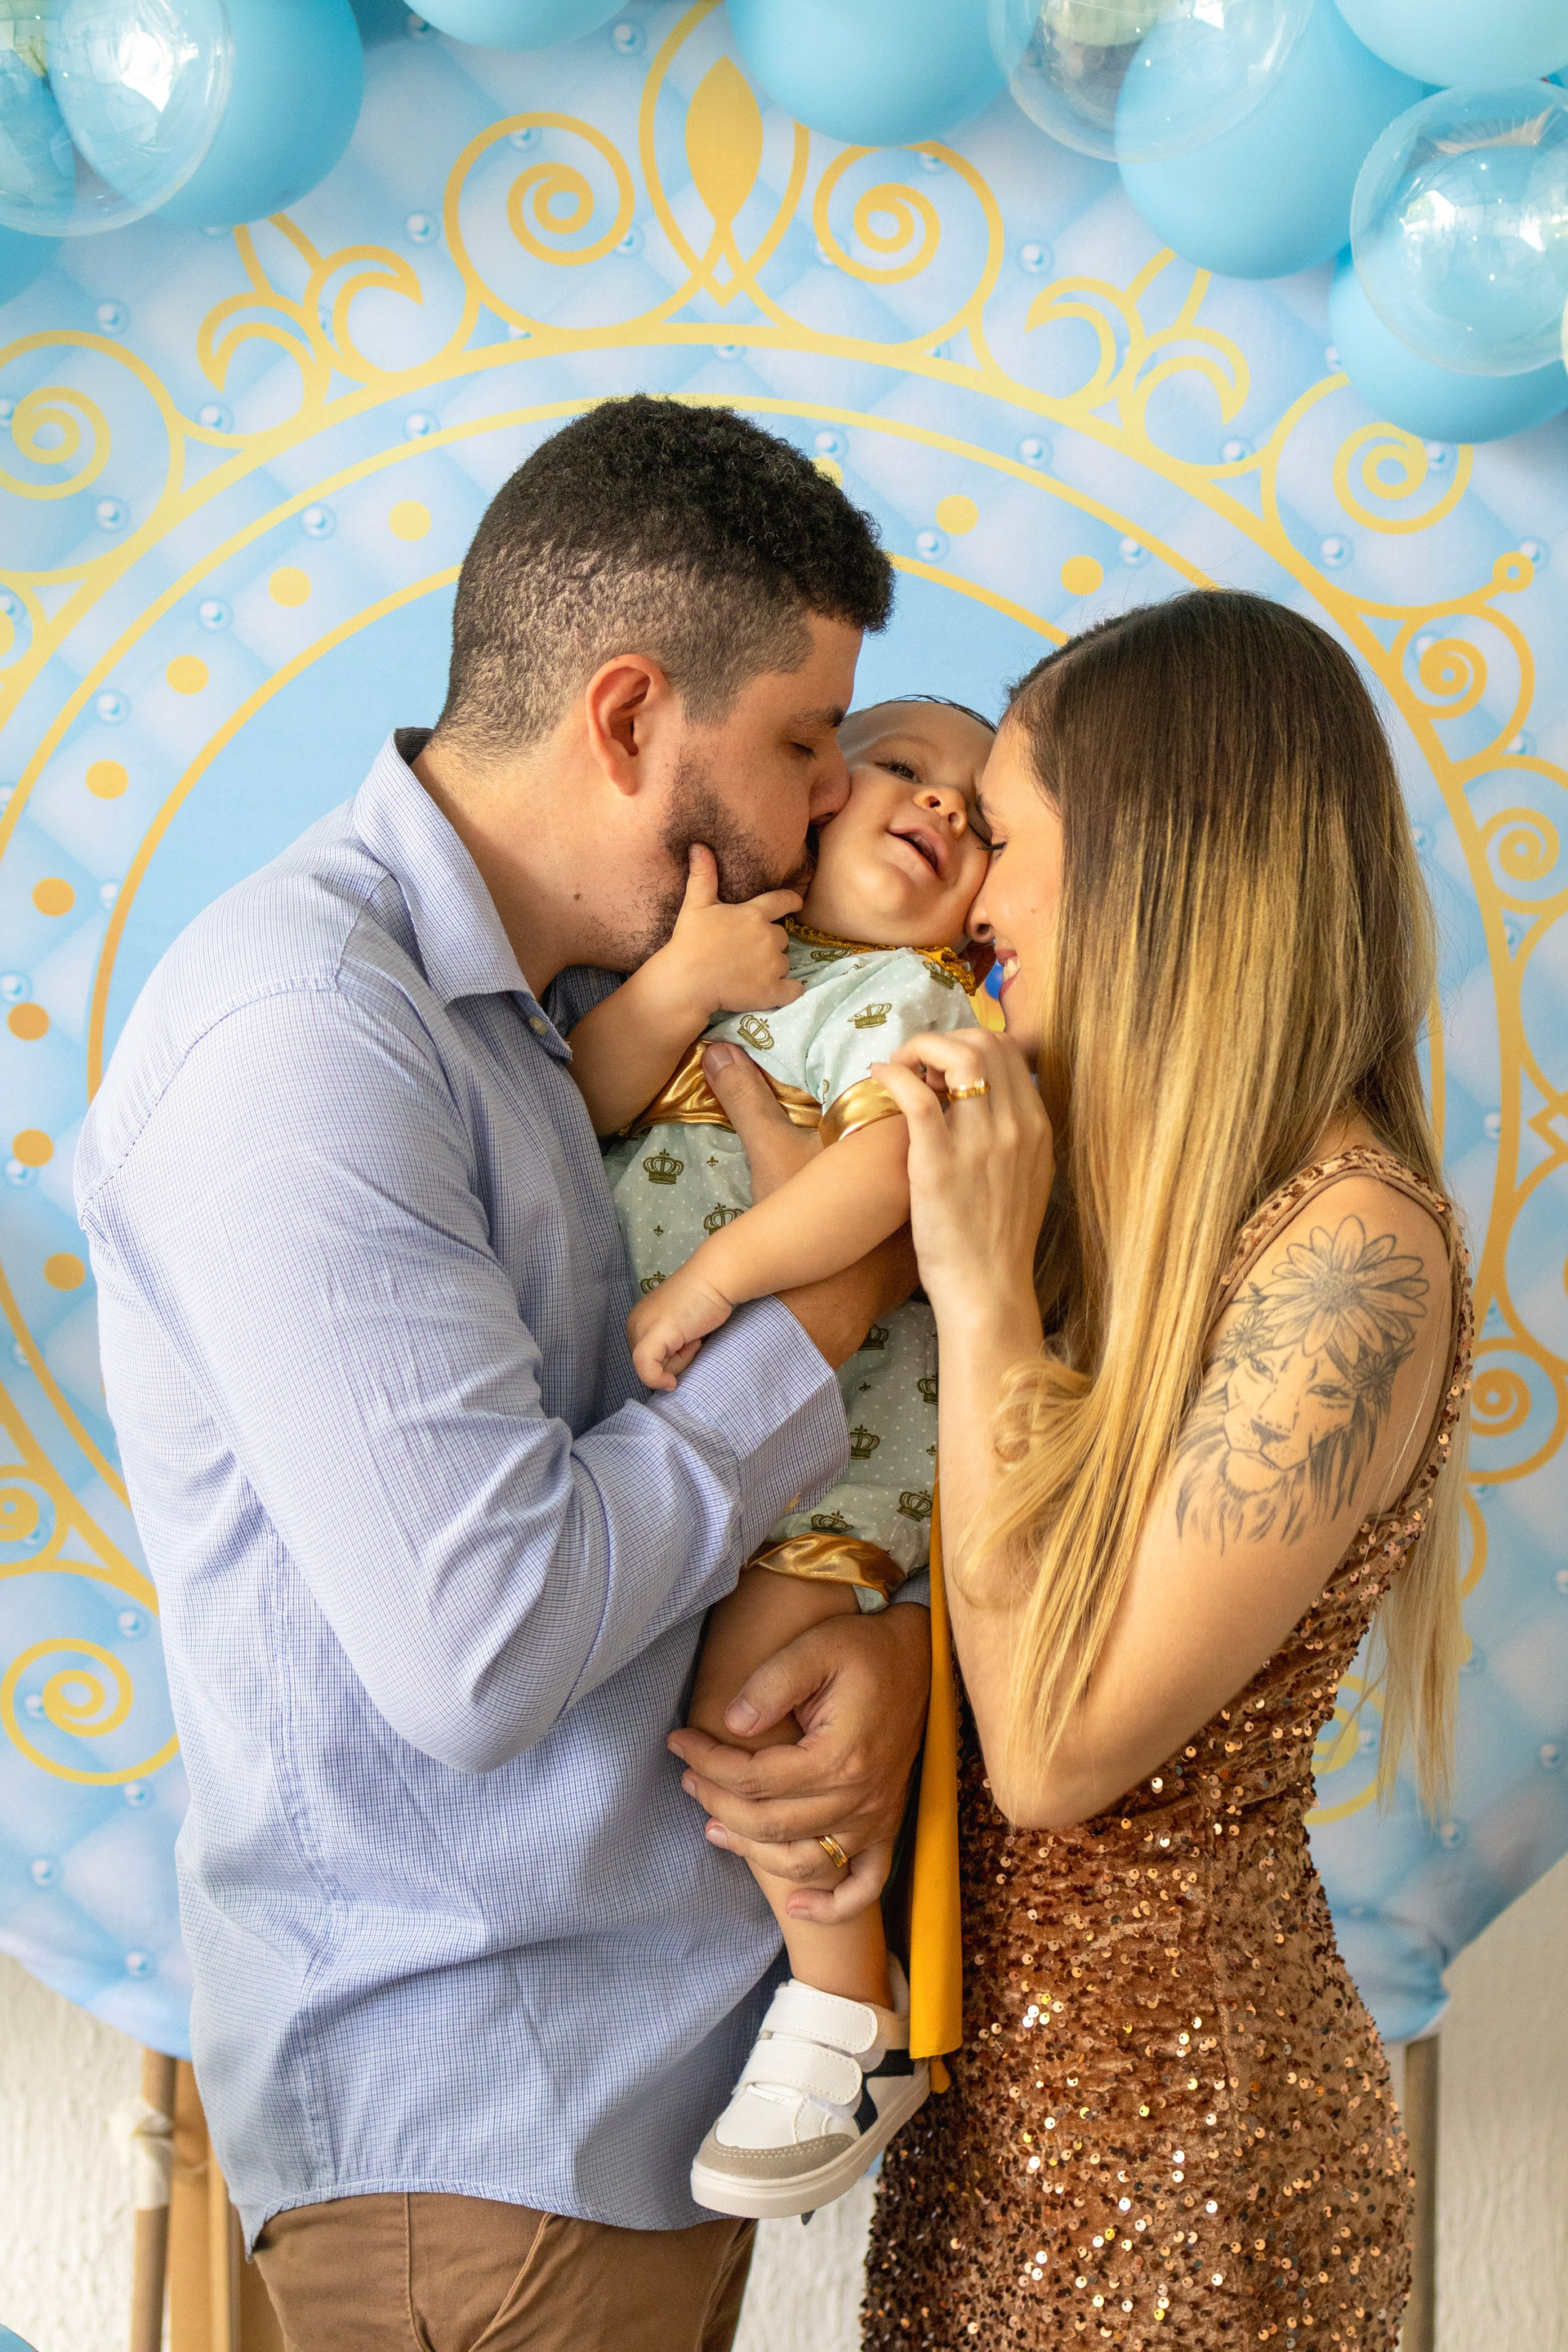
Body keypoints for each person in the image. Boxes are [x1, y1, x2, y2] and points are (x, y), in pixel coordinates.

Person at [74, 396, 937, 2352]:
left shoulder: (577, 1024)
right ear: (629, 718)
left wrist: (876, 1640)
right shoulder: (305, 1036)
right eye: (802, 742)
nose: (828, 802)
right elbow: (485, 1644)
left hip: (611, 2112)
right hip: (477, 2131)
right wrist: (814, 1323)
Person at [670, 591, 1472, 2349]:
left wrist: (975, 1290)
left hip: (1186, 2186)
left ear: (1155, 860)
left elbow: (1052, 1753)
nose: (982, 901)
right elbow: (1011, 1566)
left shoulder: (1356, 1254)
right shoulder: (1115, 1188)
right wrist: (885, 1655)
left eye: (1011, 839)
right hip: (995, 2150)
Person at [568, 697, 995, 2218]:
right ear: (812, 795)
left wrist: (719, 1276)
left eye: (978, 818)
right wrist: (680, 984)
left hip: (836, 1447)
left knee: (754, 1712)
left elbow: (884, 1179)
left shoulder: (917, 997)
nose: (942, 809)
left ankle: (846, 2008)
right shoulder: (725, 958)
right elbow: (573, 1102)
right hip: (674, 1431)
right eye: (906, 768)